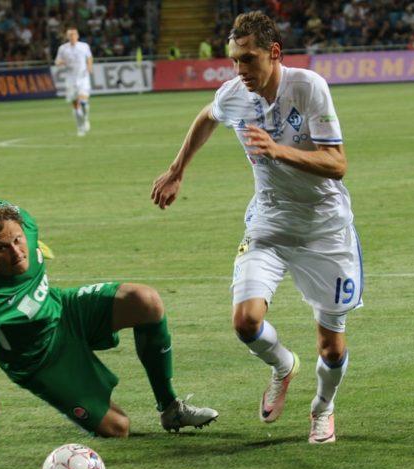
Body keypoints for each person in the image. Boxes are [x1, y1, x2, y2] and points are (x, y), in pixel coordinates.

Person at [151, 11, 362, 444]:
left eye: (248, 59)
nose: (239, 69)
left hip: (324, 227)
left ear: (274, 52)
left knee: (331, 346)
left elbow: (337, 164)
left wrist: (279, 151)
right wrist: (176, 170)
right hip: (269, 220)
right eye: (234, 60)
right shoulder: (234, 94)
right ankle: (283, 365)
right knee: (246, 322)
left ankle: (323, 407)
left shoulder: (308, 87)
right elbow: (207, 116)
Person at [0, 199, 218, 464]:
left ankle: (170, 409)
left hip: (63, 310)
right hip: (40, 361)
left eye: (18, 240)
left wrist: (30, 243)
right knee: (119, 428)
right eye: (1, 248)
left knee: (146, 300)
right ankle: (78, 406)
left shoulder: (20, 221)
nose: (16, 252)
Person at [54, 27, 93, 137]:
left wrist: (89, 67)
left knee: (83, 101)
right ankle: (80, 127)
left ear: (77, 35)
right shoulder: (63, 48)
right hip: (71, 78)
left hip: (83, 77)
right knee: (75, 104)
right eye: (70, 35)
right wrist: (60, 62)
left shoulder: (84, 46)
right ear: (67, 36)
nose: (72, 36)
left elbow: (89, 57)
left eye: (74, 34)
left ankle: (85, 119)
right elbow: (57, 61)